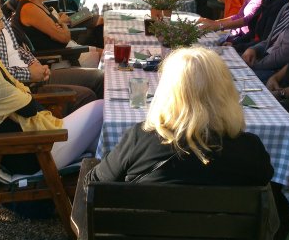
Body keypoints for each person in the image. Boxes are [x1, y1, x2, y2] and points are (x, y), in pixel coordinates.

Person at [0, 0, 103, 174]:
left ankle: (101, 180)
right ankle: (106, 182)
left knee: (98, 126)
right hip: (30, 152)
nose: (2, 27)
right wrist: (26, 94)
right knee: (102, 108)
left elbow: (21, 99)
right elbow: (28, 107)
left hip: (28, 142)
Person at [86, 46, 273, 186]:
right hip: (226, 238)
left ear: (167, 91)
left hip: (145, 237)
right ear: (226, 92)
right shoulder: (251, 149)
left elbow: (94, 183)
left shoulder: (139, 139)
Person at [15, 0, 102, 68]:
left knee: (92, 16)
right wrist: (62, 22)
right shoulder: (29, 8)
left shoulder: (38, 3)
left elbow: (55, 27)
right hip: (63, 56)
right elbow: (64, 37)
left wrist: (59, 20)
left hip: (69, 45)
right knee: (108, 52)